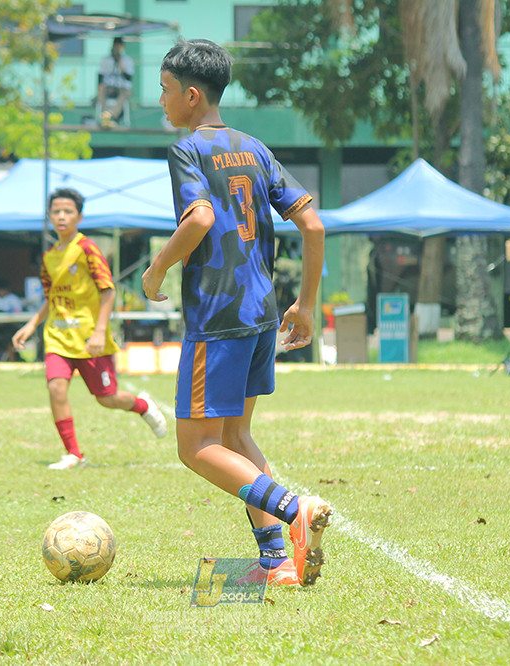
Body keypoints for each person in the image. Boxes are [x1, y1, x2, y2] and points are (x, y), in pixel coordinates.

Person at [141, 39, 331, 588]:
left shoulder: (187, 149)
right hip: (263, 313)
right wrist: (307, 305)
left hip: (218, 318)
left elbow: (199, 218)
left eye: (165, 90)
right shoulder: (254, 148)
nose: (161, 100)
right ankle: (276, 563)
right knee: (235, 436)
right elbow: (313, 225)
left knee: (195, 447)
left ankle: (296, 509)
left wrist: (156, 270)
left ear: (191, 96)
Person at [12, 188, 167, 470]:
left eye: (68, 211)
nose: (61, 216)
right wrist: (31, 324)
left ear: (79, 217)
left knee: (107, 399)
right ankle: (74, 454)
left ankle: (142, 405)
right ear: (49, 217)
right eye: (56, 211)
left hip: (90, 339)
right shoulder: (49, 257)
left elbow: (108, 291)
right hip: (58, 337)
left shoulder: (87, 249)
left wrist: (98, 332)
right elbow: (51, 298)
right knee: (56, 388)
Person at [96, 36, 135, 127]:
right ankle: (105, 114)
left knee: (124, 95)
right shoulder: (106, 60)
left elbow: (128, 77)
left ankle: (111, 114)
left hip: (122, 87)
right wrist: (100, 85)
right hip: (109, 86)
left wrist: (120, 63)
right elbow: (101, 74)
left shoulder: (127, 60)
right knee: (101, 92)